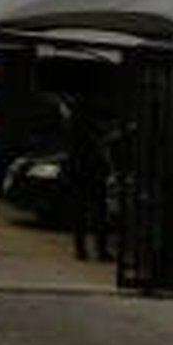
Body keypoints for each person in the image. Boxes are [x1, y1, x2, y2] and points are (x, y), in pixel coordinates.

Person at [66, 106, 115, 264]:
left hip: (80, 172)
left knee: (80, 212)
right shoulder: (94, 133)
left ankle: (81, 249)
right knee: (98, 212)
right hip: (93, 173)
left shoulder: (75, 129)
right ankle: (99, 249)